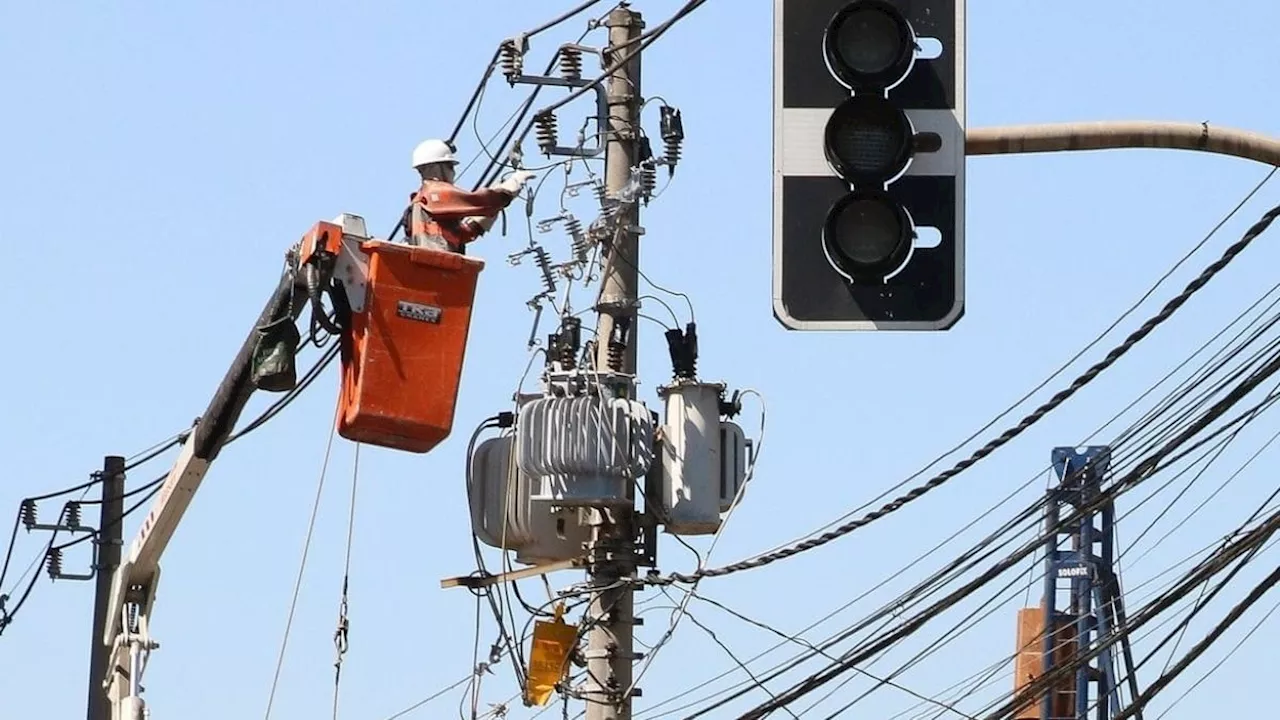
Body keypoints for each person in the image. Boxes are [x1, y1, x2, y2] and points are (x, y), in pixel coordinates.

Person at [405, 138, 535, 253]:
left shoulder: (420, 203)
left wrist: (484, 218)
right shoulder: (434, 193)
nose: (453, 173)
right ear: (436, 168)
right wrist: (513, 184)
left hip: (434, 272)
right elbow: (482, 202)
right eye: (450, 167)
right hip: (438, 267)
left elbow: (463, 234)